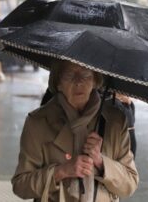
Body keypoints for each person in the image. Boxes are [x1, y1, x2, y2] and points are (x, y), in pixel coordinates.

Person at [12, 60, 138, 201]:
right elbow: (20, 186)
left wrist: (101, 162)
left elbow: (130, 184)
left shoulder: (115, 122)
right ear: (58, 82)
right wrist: (60, 172)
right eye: (69, 75)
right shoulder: (38, 122)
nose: (78, 82)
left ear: (95, 80)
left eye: (85, 75)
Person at [41, 90, 137, 157]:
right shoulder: (56, 98)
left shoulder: (120, 109)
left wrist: (101, 163)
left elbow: (128, 175)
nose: (79, 83)